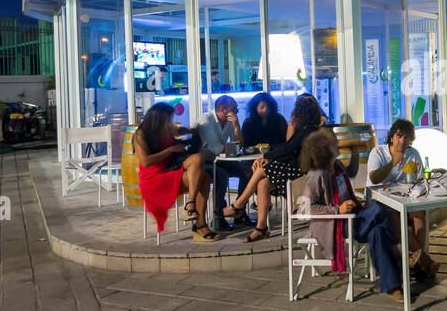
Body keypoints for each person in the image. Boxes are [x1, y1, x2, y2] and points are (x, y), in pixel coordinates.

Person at [300, 128, 413, 303]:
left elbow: (348, 184)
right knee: (379, 210)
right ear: (323, 149)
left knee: (378, 232)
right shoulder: (317, 175)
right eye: (333, 143)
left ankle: (392, 287)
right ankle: (398, 252)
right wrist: (337, 209)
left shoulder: (336, 167)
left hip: (353, 218)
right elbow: (306, 209)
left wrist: (353, 204)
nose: (338, 144)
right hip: (335, 224)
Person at [226, 93, 326, 241]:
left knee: (261, 169)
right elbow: (288, 146)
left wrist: (266, 156)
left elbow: (289, 147)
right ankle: (261, 228)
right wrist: (269, 156)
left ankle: (238, 205)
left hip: (303, 173)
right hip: (294, 168)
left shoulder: (310, 129)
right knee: (262, 184)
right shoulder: (305, 128)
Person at [133, 102, 216, 241]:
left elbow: (180, 130)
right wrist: (170, 150)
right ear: (158, 118)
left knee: (198, 160)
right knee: (204, 179)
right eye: (168, 118)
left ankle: (191, 205)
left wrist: (196, 129)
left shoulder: (166, 128)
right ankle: (200, 225)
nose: (170, 121)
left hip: (169, 169)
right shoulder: (140, 134)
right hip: (154, 179)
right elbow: (146, 161)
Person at [366, 118, 433, 270]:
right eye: (399, 135)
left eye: (407, 137)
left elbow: (420, 179)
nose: (402, 140)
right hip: (379, 201)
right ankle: (423, 260)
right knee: (395, 216)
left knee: (419, 213)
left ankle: (416, 263)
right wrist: (393, 163)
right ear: (391, 137)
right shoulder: (378, 152)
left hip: (405, 199)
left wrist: (431, 175)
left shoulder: (412, 153)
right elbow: (374, 178)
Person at [195, 95, 249, 231]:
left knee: (248, 171)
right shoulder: (206, 119)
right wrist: (232, 149)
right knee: (221, 174)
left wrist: (236, 127)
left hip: (220, 160)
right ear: (222, 109)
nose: (237, 110)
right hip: (202, 162)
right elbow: (217, 149)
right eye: (234, 107)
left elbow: (238, 145)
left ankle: (238, 210)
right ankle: (218, 217)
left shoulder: (230, 121)